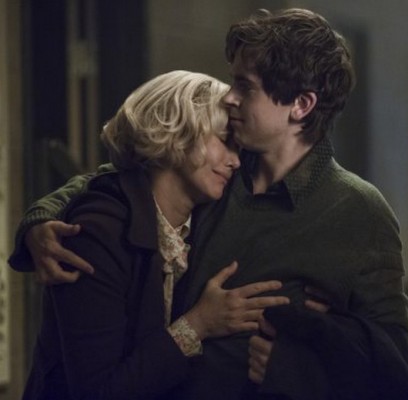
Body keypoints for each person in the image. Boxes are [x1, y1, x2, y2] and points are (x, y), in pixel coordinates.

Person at [10, 8, 408, 400]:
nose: (230, 96)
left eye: (246, 86)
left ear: (301, 106)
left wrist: (302, 365)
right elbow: (123, 178)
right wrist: (40, 219)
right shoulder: (215, 174)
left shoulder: (358, 211)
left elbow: (396, 374)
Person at [9, 70, 291, 399]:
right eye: (224, 141)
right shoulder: (97, 233)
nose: (235, 161)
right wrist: (199, 324)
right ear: (177, 132)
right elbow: (96, 393)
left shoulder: (202, 219)